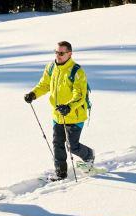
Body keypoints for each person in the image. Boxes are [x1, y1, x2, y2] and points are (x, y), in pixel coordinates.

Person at [25, 40, 95, 179]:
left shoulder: (76, 71)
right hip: (57, 114)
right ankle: (60, 173)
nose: (58, 55)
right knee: (57, 144)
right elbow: (44, 85)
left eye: (61, 53)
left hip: (74, 115)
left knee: (72, 146)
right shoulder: (51, 67)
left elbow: (79, 95)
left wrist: (68, 106)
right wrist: (33, 94)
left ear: (69, 54)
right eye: (56, 52)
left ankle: (89, 155)